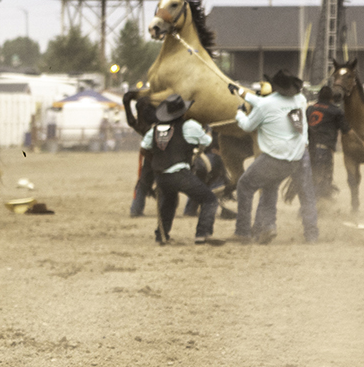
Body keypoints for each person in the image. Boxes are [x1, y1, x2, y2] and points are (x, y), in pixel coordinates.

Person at [232, 70, 318, 244]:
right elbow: (265, 102)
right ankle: (310, 234)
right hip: (299, 155)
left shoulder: (265, 106)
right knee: (302, 193)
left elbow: (248, 126)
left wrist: (239, 114)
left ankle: (243, 232)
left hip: (276, 157)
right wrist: (240, 92)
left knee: (245, 185)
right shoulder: (300, 99)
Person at [140, 95, 218, 245]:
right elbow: (206, 142)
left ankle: (161, 236)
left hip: (161, 176)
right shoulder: (189, 126)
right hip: (179, 174)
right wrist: (208, 130)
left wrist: (156, 161)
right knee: (209, 199)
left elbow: (144, 148)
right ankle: (203, 233)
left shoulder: (155, 129)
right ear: (183, 112)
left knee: (169, 201)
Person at [306, 85, 347, 198]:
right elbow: (346, 129)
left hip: (310, 149)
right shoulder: (335, 111)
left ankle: (317, 203)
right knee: (323, 176)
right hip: (325, 149)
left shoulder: (310, 109)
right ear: (331, 97)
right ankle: (315, 205)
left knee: (313, 176)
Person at [123, 91, 157, 219]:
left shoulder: (145, 128)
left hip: (150, 153)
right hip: (162, 154)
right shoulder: (159, 126)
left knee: (144, 180)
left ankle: (136, 208)